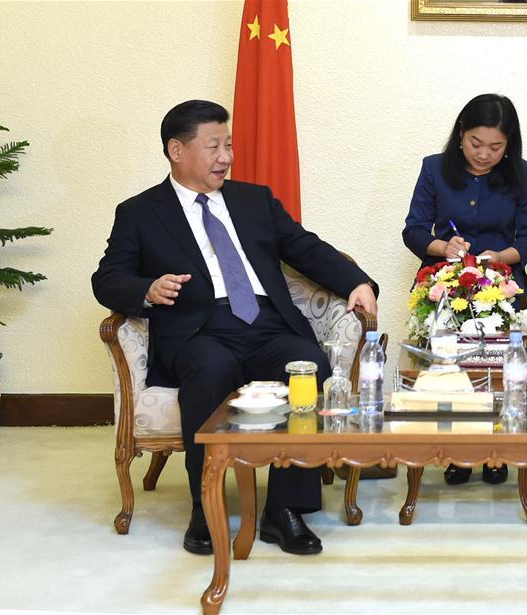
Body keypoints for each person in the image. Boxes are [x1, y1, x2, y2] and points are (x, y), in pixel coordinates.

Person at [92, 100, 378, 556]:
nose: (226, 157)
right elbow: (107, 278)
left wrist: (358, 282)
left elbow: (305, 248)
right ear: (176, 151)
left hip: (266, 323)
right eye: (214, 147)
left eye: (229, 145)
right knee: (209, 370)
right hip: (198, 331)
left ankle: (283, 512)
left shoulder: (254, 200)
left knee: (308, 369)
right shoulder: (140, 212)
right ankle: (204, 507)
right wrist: (147, 288)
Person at [402, 93, 527, 485]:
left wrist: (501, 257)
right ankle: (458, 451)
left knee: (499, 373)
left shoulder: (522, 174)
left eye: (496, 147)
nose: (484, 154)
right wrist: (443, 248)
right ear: (461, 134)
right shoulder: (434, 169)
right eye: (476, 144)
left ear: (509, 145)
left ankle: (496, 451)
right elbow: (413, 229)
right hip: (444, 286)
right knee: (452, 373)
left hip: (501, 284)